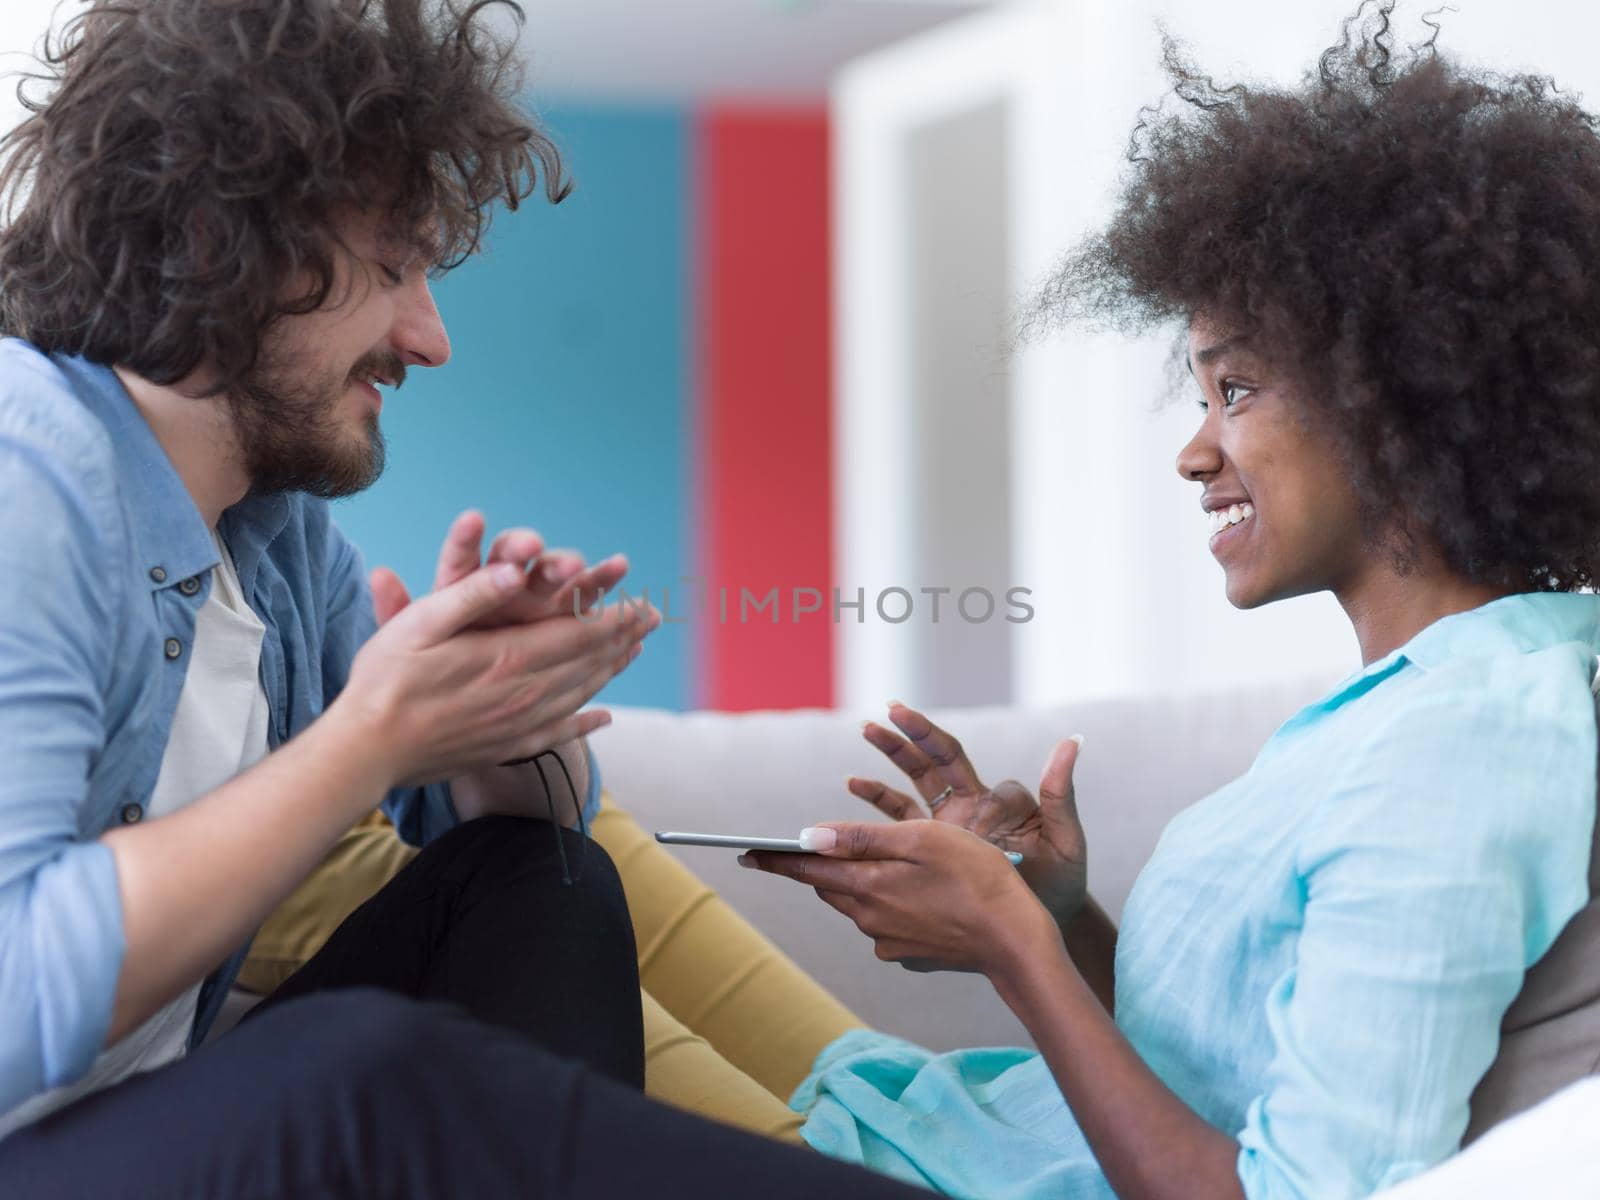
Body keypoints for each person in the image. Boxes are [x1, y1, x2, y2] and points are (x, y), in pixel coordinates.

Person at [0, 2, 929, 1196]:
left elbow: (500, 849)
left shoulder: (279, 545)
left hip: (139, 1133)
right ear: (218, 241)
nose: (428, 339)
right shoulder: (31, 481)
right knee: (358, 1070)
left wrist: (503, 730)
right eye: (393, 267)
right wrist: (371, 735)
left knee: (540, 886)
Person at [735, 4, 1600, 1197]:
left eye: (1233, 388)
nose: (1194, 454)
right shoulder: (1429, 700)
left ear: (1398, 395)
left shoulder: (1473, 739)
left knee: (482, 970)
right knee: (556, 872)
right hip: (931, 1130)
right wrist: (1056, 915)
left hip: (927, 1170)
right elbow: (1217, 1069)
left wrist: (1009, 941)